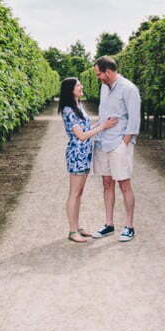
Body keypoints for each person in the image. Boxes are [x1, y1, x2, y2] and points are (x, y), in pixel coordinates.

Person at [59, 77, 118, 243]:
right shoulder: (68, 110)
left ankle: (76, 227)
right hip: (77, 155)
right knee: (75, 193)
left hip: (84, 154)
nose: (81, 86)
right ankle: (72, 231)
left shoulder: (78, 106)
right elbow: (82, 135)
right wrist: (103, 127)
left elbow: (86, 129)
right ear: (70, 90)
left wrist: (102, 122)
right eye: (78, 85)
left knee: (79, 193)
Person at [90, 56, 141, 242]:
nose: (98, 77)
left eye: (99, 74)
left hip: (119, 143)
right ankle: (109, 224)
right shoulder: (104, 87)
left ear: (108, 72)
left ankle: (129, 226)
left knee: (124, 185)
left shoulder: (129, 89)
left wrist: (125, 142)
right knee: (107, 183)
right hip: (103, 142)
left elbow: (135, 119)